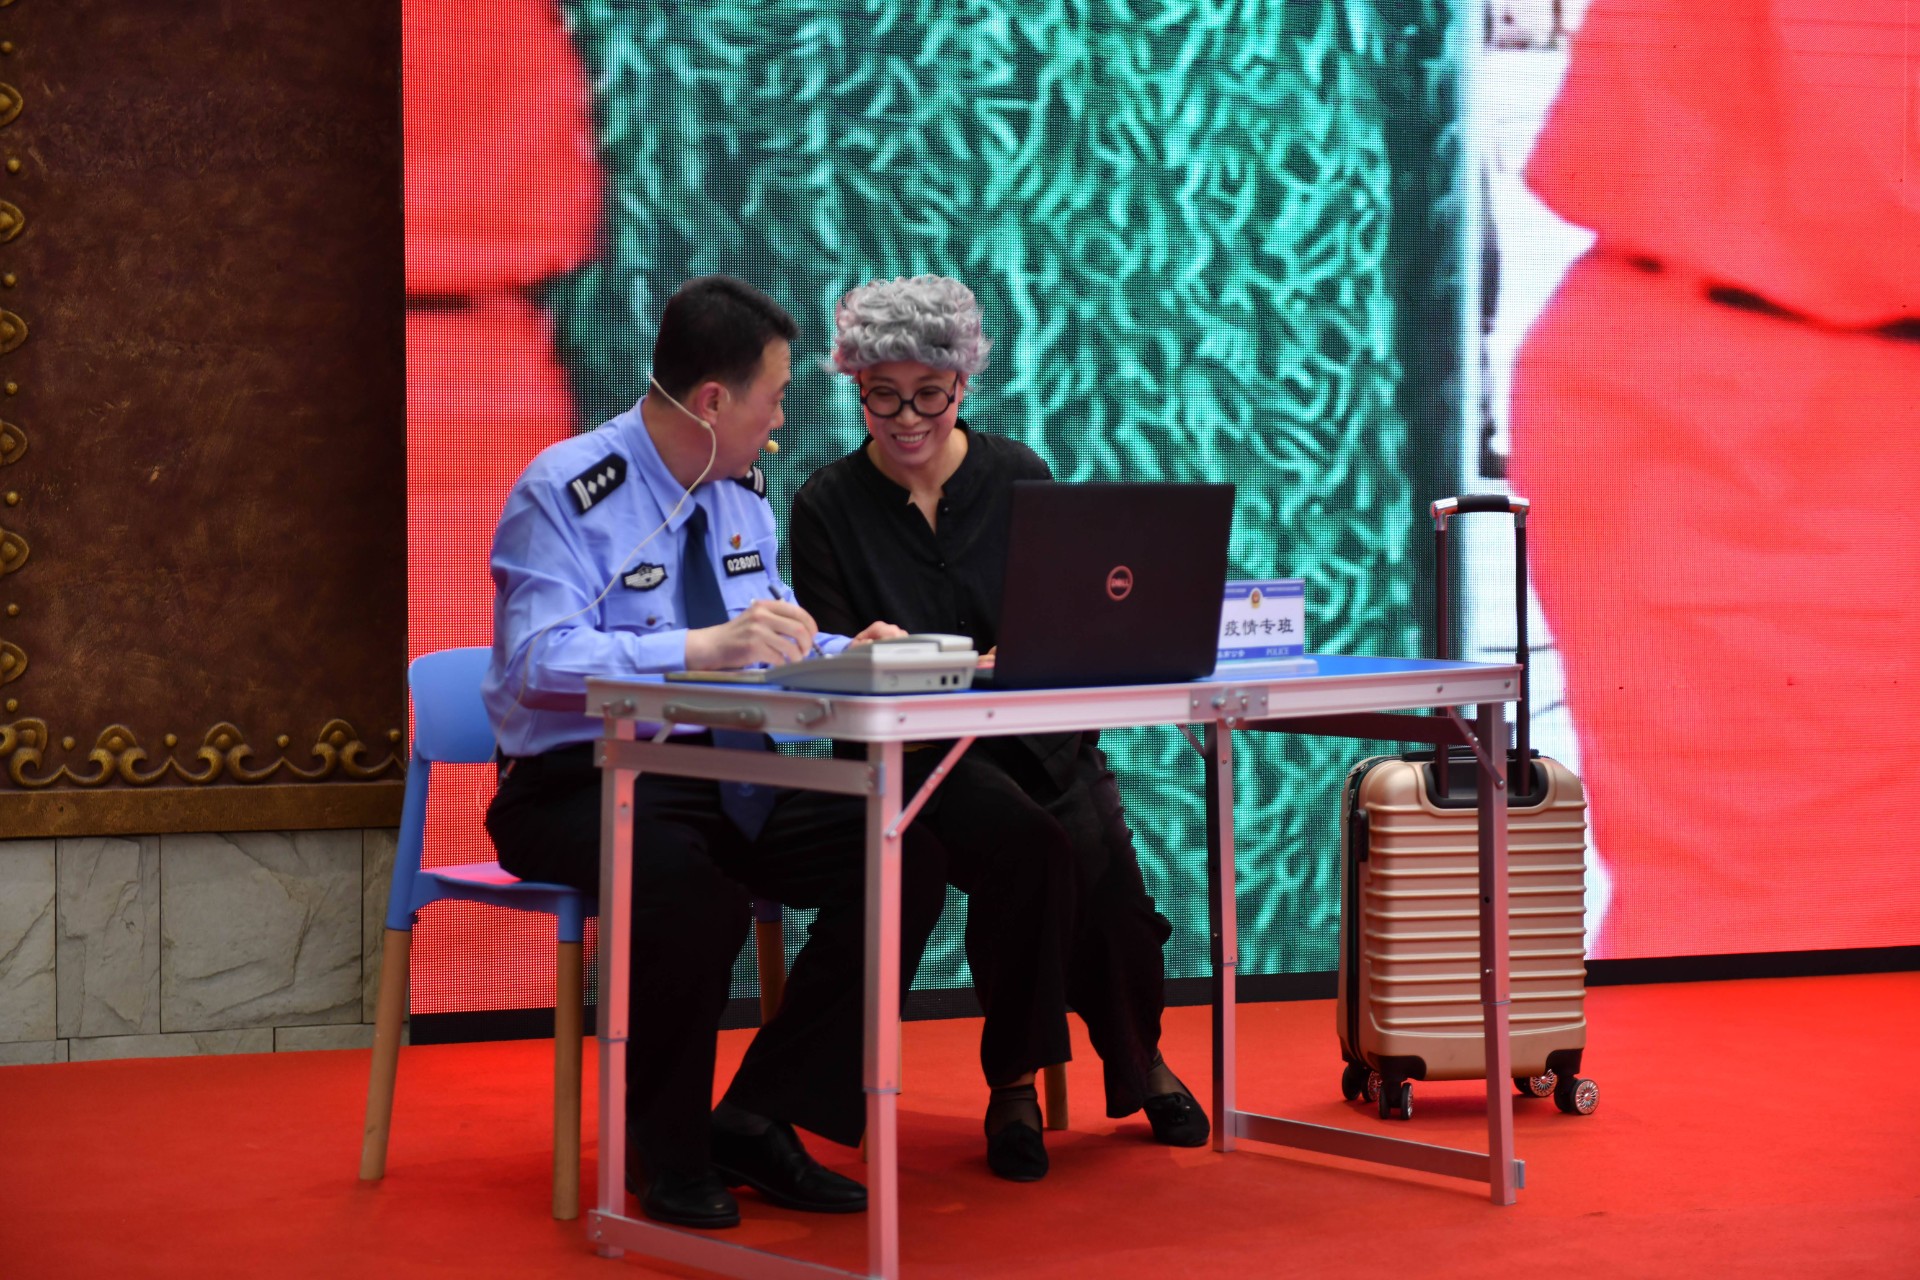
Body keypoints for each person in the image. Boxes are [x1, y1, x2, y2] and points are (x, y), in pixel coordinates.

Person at [480, 276, 948, 1229]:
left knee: (902, 853)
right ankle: (667, 1150)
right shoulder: (566, 489)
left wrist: (846, 650)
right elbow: (535, 663)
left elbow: (765, 637)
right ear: (711, 401)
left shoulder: (740, 498)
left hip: (730, 774)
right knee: (692, 892)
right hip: (580, 782)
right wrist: (694, 649)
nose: (778, 427)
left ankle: (758, 1114)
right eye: (772, 401)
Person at [787, 274, 1210, 1182]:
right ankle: (1013, 1083)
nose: (906, 419)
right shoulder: (826, 504)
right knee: (1033, 848)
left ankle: (1139, 1059)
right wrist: (862, 650)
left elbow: (1069, 625)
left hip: (1038, 735)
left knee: (1111, 880)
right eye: (883, 397)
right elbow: (826, 667)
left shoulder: (1020, 476)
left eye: (928, 396)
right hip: (914, 754)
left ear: (963, 384)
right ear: (856, 385)